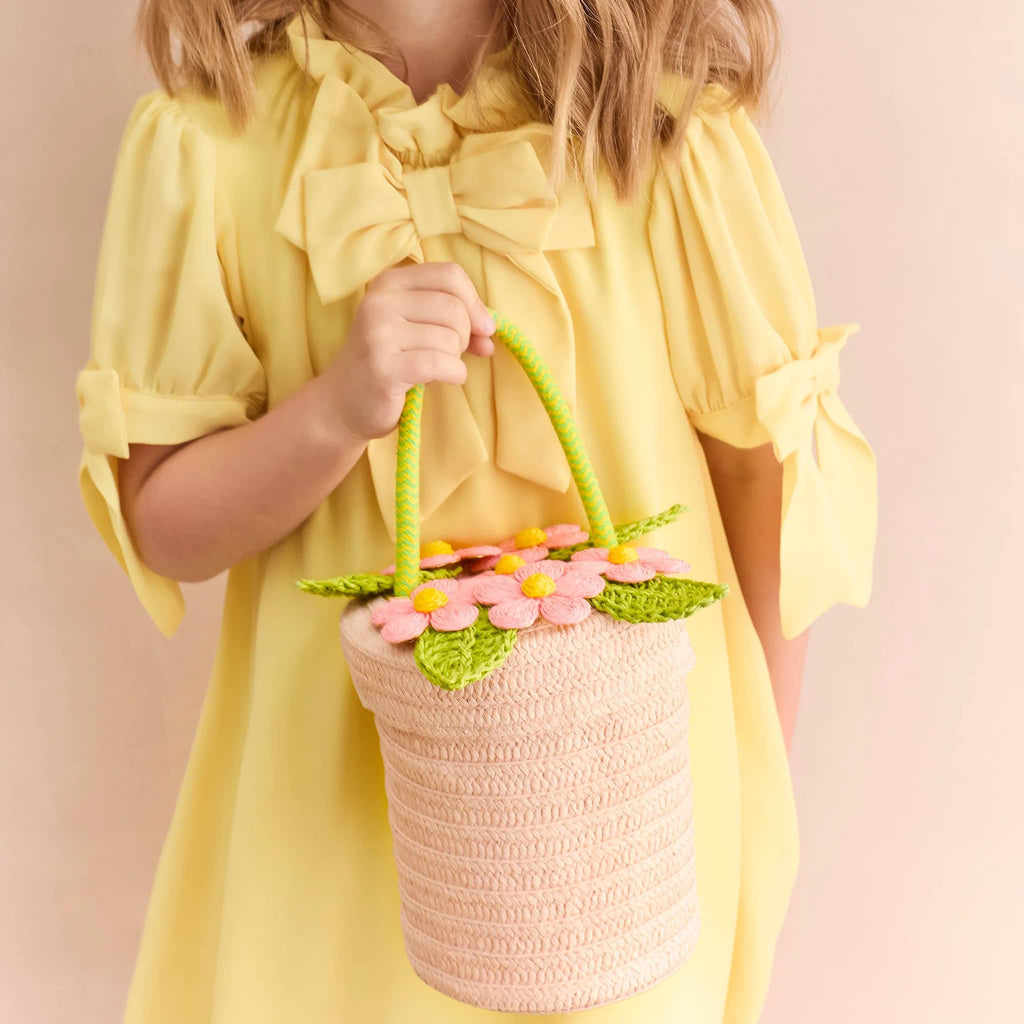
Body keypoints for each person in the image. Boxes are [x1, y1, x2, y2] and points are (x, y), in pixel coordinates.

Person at [73, 1, 878, 1021]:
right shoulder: (211, 143)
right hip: (330, 825)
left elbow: (767, 486)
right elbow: (163, 520)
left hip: (625, 821)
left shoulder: (666, 129)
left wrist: (753, 803)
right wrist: (331, 415)